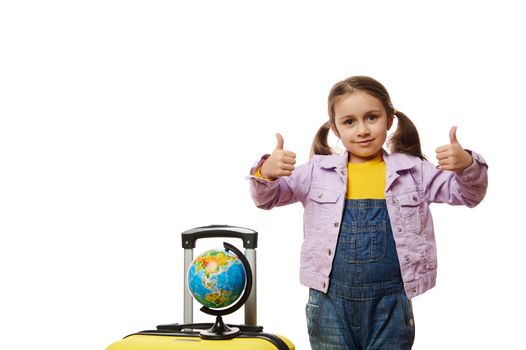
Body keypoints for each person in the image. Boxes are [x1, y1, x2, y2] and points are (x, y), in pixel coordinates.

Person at [248, 75, 488, 349]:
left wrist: (467, 165)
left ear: (389, 119)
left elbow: (469, 195)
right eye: (349, 122)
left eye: (371, 117)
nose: (362, 130)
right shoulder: (316, 172)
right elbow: (266, 199)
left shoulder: (413, 172)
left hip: (391, 303)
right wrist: (265, 172)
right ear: (335, 128)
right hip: (328, 302)